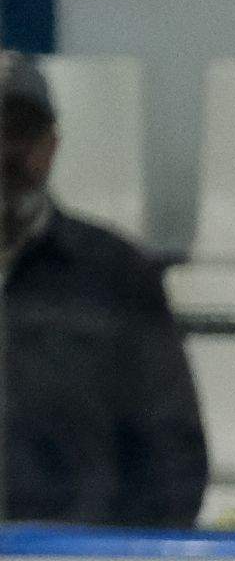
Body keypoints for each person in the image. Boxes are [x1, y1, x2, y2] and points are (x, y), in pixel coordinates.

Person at [2, 49, 206, 529]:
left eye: (18, 131)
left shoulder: (117, 274)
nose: (2, 152)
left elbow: (173, 455)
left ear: (50, 146)